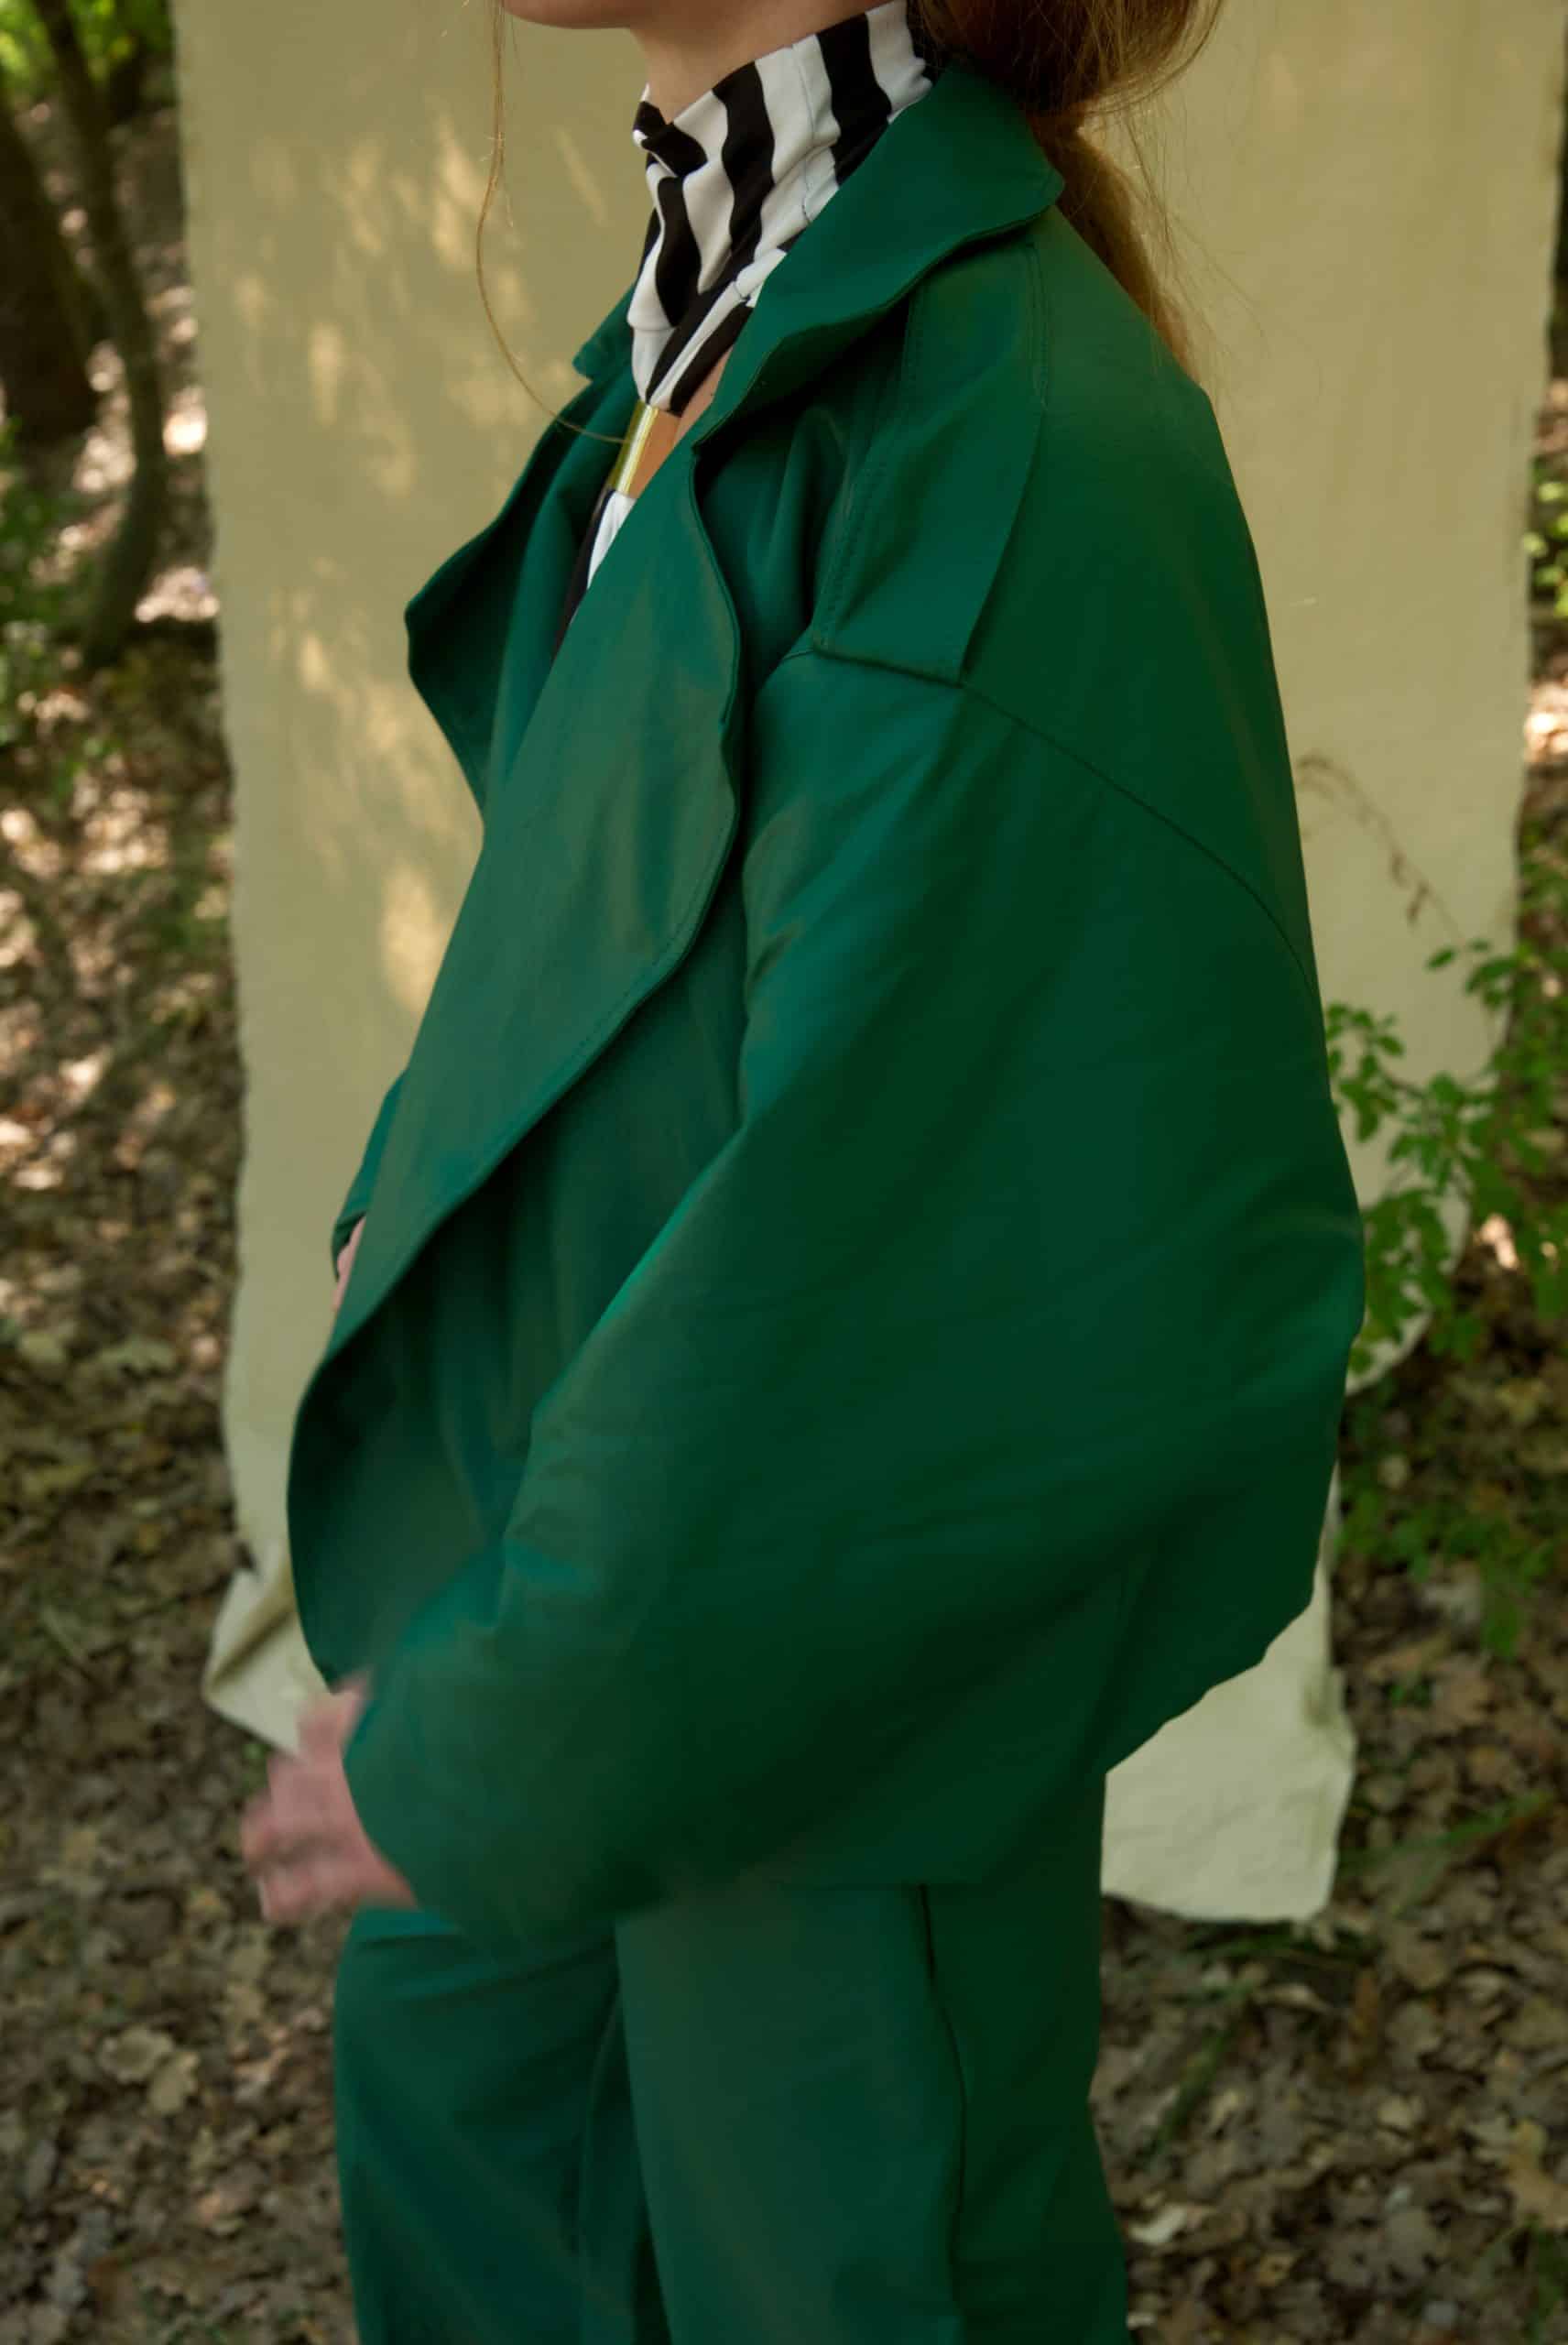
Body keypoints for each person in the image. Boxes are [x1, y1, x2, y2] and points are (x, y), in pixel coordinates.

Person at [239, 0, 1367, 2336]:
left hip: (767, 1695)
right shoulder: (720, 333)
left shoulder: (1005, 425)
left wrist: (507, 1721)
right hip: (552, 1632)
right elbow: (628, 968)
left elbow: (921, 1259)